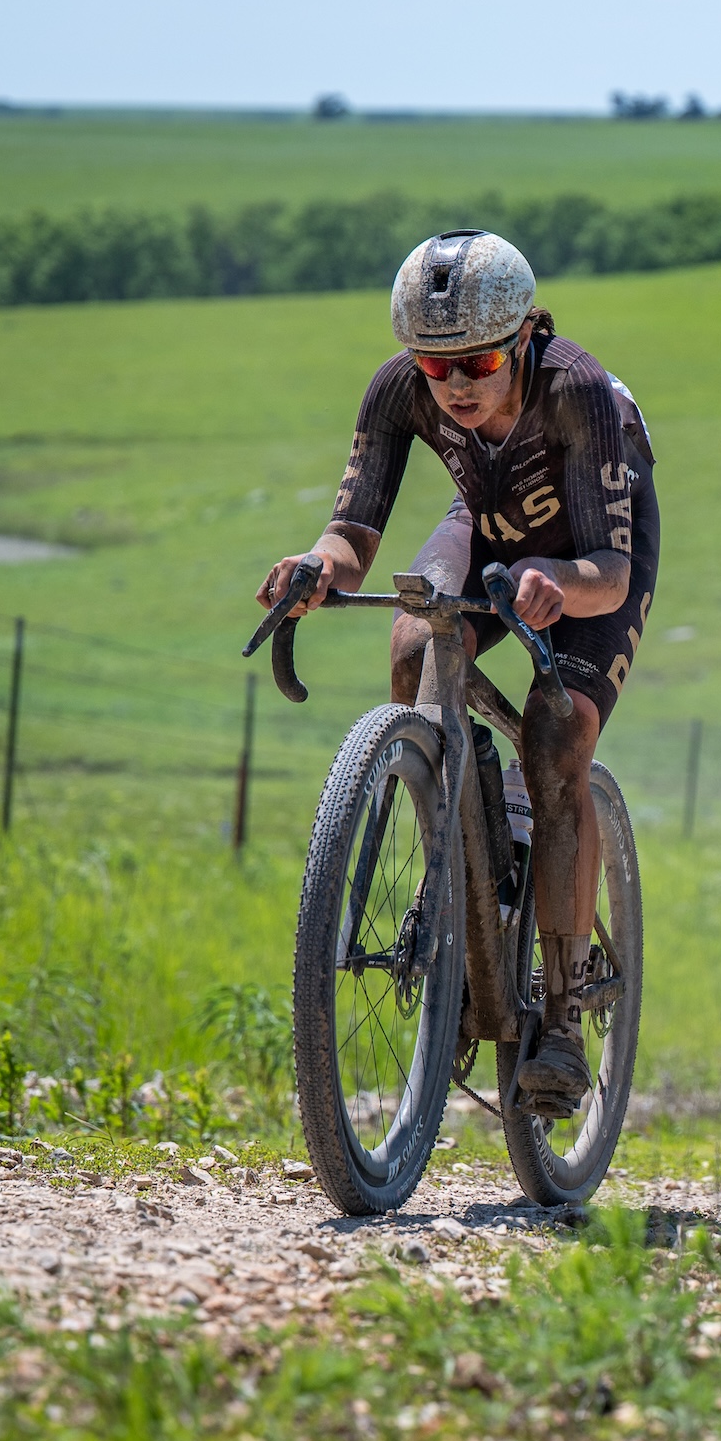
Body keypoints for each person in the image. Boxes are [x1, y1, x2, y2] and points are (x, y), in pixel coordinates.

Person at [259, 230, 659, 1118]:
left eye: (477, 360)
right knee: (411, 644)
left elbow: (614, 571)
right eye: (437, 369)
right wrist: (318, 567)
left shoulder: (580, 392)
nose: (458, 385)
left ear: (520, 337)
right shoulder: (401, 389)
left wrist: (558, 585)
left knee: (558, 736)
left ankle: (558, 1008)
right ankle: (456, 866)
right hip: (487, 522)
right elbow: (355, 529)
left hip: (592, 555)